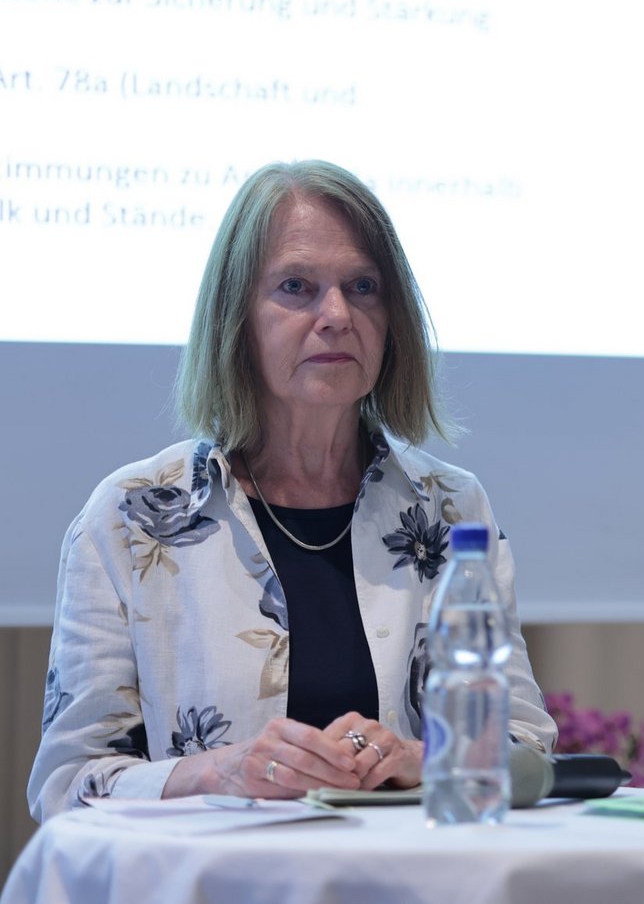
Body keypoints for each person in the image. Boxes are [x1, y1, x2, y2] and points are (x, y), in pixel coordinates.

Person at [28, 161, 557, 820]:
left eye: (363, 287)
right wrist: (219, 770)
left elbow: (531, 751)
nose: (336, 315)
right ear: (236, 319)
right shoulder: (129, 517)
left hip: (411, 870)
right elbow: (65, 784)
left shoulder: (450, 510)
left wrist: (428, 758)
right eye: (296, 287)